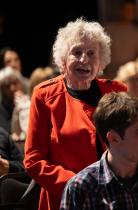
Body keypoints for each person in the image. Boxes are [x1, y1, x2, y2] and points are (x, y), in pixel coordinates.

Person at [23, 18, 127, 210]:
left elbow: (131, 142)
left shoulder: (118, 92)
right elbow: (34, 160)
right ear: (63, 59)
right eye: (76, 52)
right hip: (66, 199)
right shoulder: (44, 95)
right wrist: (78, 184)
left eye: (91, 53)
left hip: (116, 197)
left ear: (100, 59)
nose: (84, 59)